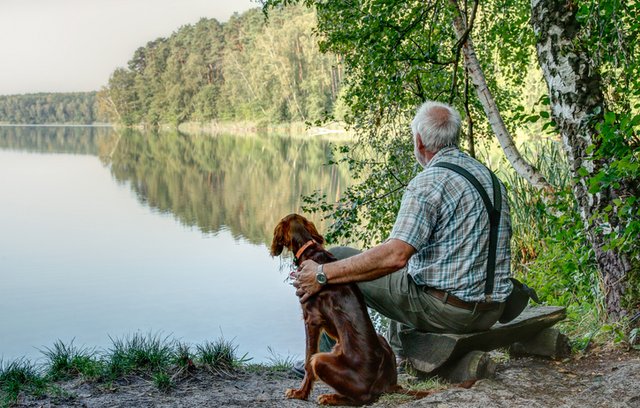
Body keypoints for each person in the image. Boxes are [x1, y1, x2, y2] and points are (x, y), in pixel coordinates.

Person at [293, 101, 513, 366]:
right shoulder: (489, 177)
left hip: (452, 313)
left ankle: (332, 362)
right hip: (492, 310)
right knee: (400, 275)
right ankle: (396, 355)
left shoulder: (430, 182)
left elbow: (395, 257)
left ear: (419, 141)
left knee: (333, 258)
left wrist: (322, 274)